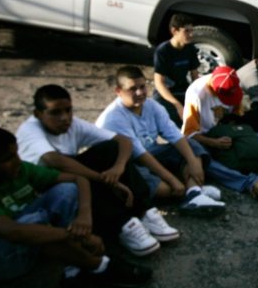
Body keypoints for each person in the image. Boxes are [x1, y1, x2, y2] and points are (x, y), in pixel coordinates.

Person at [0, 127, 151, 288]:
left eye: (16, 154)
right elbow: (12, 231)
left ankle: (71, 274)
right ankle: (99, 265)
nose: (17, 161)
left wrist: (84, 216)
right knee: (32, 222)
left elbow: (78, 180)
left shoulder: (21, 169)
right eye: (7, 159)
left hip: (33, 238)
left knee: (65, 190)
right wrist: (78, 236)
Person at [16, 85, 178, 257]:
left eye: (68, 110)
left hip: (72, 178)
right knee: (83, 177)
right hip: (45, 193)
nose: (64, 118)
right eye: (55, 113)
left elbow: (123, 141)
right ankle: (122, 225)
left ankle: (144, 211)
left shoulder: (73, 124)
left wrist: (118, 168)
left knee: (109, 150)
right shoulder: (30, 130)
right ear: (38, 114)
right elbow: (55, 161)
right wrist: (103, 178)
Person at [96, 66, 226, 215]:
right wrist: (171, 179)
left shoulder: (152, 106)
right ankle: (192, 191)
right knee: (158, 186)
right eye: (132, 89)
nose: (139, 93)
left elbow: (175, 135)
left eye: (142, 87)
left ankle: (193, 193)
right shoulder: (114, 118)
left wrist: (192, 161)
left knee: (191, 145)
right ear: (118, 92)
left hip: (150, 153)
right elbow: (140, 154)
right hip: (125, 163)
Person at [181, 65, 258, 205]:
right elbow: (188, 135)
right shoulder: (196, 94)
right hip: (203, 138)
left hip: (224, 131)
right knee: (205, 161)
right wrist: (213, 142)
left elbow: (235, 115)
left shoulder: (233, 84)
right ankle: (251, 183)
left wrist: (237, 134)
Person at [153, 13, 199, 127]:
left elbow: (195, 76)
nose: (191, 34)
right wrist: (177, 105)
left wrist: (199, 95)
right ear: (174, 31)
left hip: (183, 90)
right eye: (186, 31)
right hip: (166, 94)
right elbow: (159, 83)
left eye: (191, 30)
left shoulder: (190, 48)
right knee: (176, 122)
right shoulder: (163, 51)